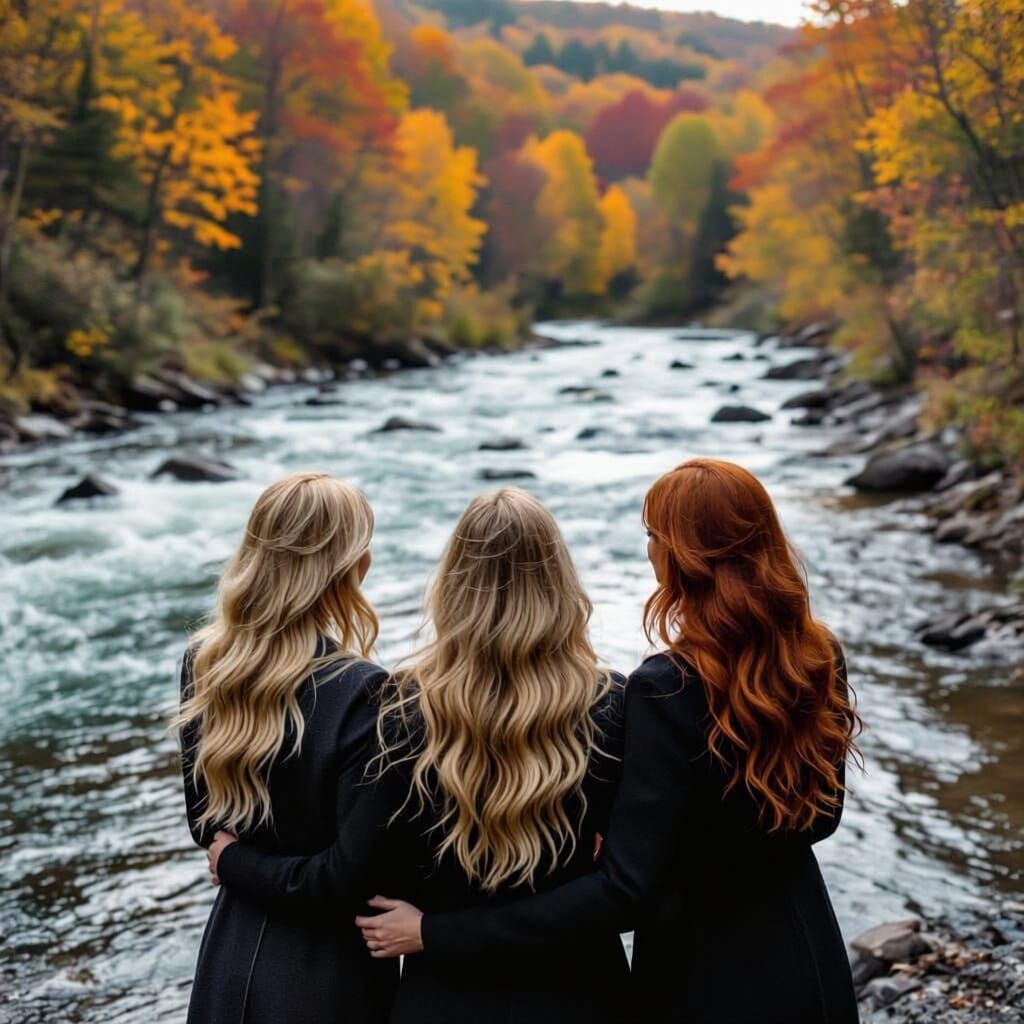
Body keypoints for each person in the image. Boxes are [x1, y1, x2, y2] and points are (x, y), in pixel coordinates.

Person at [361, 459, 863, 1024]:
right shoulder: (819, 655)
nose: (649, 550)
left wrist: (436, 930)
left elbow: (626, 887)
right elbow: (822, 819)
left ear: (688, 554)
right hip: (808, 949)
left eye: (654, 536)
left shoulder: (663, 688)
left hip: (703, 972)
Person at [206, 488, 631, 1024]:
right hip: (585, 990)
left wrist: (240, 859)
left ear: (453, 583)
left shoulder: (404, 707)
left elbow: (374, 869)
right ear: (561, 582)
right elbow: (622, 886)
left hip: (444, 994)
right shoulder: (614, 701)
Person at [175, 472, 396, 1024]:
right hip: (328, 974)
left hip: (228, 952)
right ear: (350, 568)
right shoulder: (366, 689)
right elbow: (347, 877)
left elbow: (208, 826)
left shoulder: (206, 661)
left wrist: (233, 859)